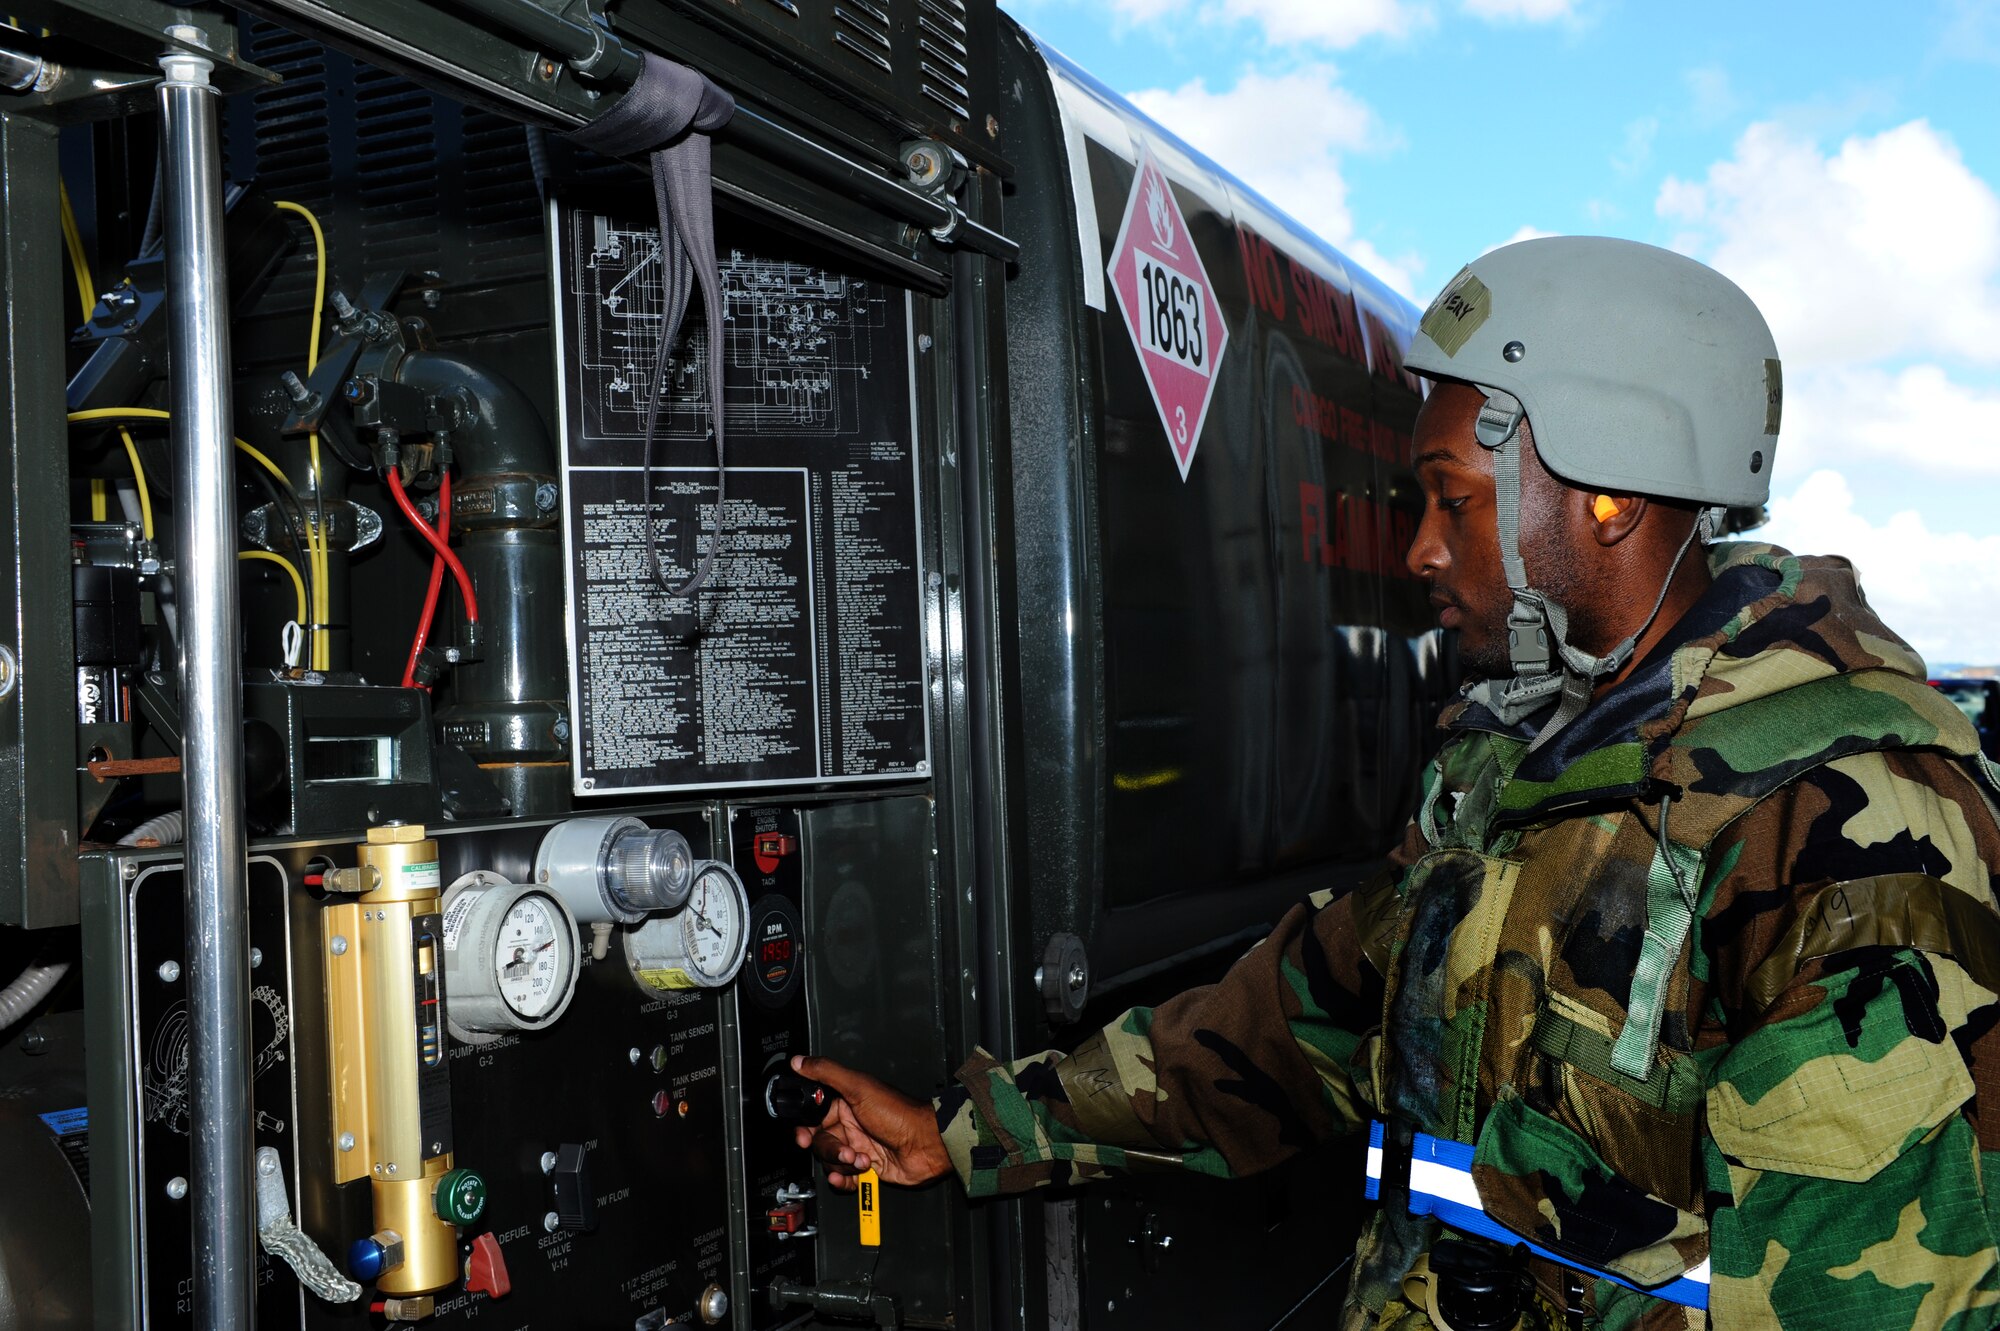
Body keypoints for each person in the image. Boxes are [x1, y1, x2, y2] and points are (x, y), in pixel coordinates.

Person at [792, 237, 2000, 1330]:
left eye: (1451, 500)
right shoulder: (1513, 771)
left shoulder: (1846, 828)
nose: (1418, 547)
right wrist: (965, 1129)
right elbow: (1294, 1027)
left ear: (1611, 495)